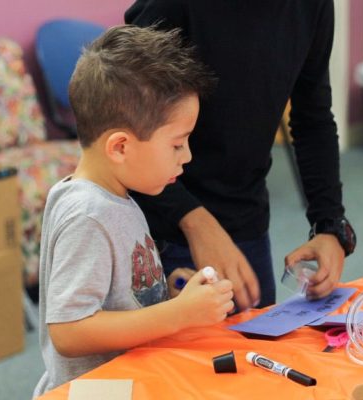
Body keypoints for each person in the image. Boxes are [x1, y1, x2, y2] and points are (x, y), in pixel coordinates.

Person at [33, 25, 233, 396]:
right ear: (120, 147)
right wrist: (179, 315)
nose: (187, 157)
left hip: (130, 380)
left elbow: (116, 298)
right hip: (97, 391)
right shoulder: (88, 214)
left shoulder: (115, 195)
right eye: (177, 144)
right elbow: (68, 330)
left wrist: (166, 295)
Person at [124, 0, 357, 310]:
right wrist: (194, 221)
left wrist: (330, 226)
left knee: (255, 351)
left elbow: (312, 116)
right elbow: (125, 126)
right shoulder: (172, 6)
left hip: (246, 223)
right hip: (163, 225)